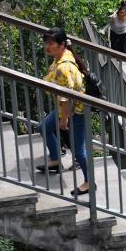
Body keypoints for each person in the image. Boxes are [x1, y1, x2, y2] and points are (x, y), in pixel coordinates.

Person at [36, 27, 92, 196]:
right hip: (65, 109)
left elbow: (66, 97)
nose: (47, 46)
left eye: (51, 43)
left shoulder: (63, 67)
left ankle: (90, 182)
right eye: (46, 43)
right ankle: (55, 160)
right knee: (44, 127)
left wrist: (64, 120)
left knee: (78, 150)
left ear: (61, 44)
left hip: (75, 112)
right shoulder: (63, 56)